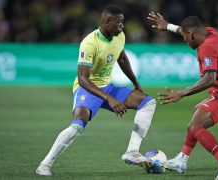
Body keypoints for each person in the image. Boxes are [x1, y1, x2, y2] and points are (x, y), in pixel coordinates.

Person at [35, 5, 157, 176]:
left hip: (108, 87)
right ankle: (45, 165)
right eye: (119, 22)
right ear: (107, 22)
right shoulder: (89, 43)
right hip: (87, 89)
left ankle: (132, 151)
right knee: (77, 125)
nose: (122, 26)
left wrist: (136, 84)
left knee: (148, 102)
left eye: (123, 22)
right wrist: (110, 98)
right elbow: (83, 79)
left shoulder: (119, 36)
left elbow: (121, 58)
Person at [148, 12, 218, 180]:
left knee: (194, 126)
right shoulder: (211, 32)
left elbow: (209, 79)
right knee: (196, 115)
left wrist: (181, 93)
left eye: (185, 37)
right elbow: (184, 29)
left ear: (191, 34)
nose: (184, 40)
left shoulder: (207, 47)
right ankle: (181, 161)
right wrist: (168, 26)